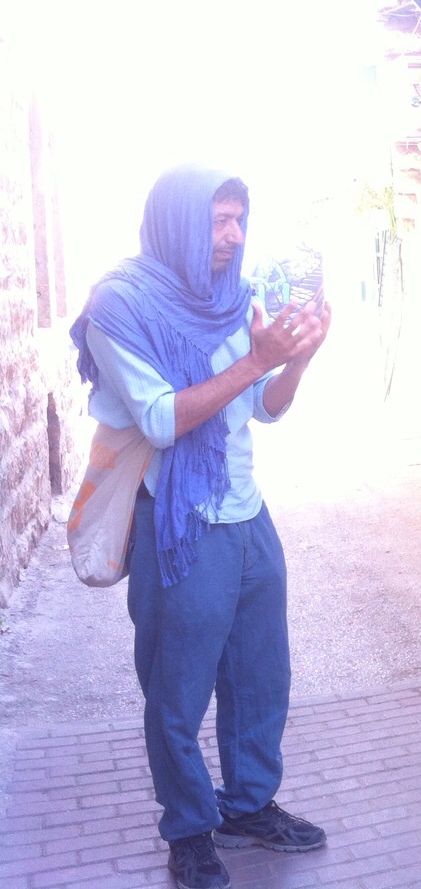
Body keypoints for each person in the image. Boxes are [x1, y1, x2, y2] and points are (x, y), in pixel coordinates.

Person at [70, 165, 332, 889]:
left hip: (247, 513)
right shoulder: (119, 306)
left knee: (260, 674)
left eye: (239, 219)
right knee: (177, 689)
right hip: (176, 520)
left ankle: (248, 803)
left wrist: (297, 361)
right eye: (219, 220)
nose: (234, 235)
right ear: (178, 221)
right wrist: (257, 358)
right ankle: (189, 829)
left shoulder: (234, 298)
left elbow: (263, 408)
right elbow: (160, 419)